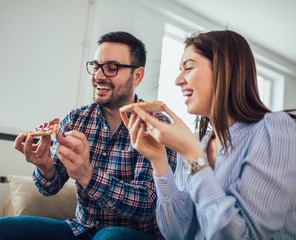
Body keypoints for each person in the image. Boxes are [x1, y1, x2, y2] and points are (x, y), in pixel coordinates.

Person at [0, 31, 177, 240]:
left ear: (137, 76)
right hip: (81, 229)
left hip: (133, 235)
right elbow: (50, 187)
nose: (98, 76)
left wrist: (87, 175)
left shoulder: (158, 125)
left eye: (111, 68)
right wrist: (45, 166)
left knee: (109, 237)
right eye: (96, 66)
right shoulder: (77, 119)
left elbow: (146, 206)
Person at [120, 30, 296, 239]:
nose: (178, 80)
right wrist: (159, 161)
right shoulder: (198, 142)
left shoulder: (275, 128)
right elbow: (177, 234)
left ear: (225, 69)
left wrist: (193, 157)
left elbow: (243, 235)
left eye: (188, 67)